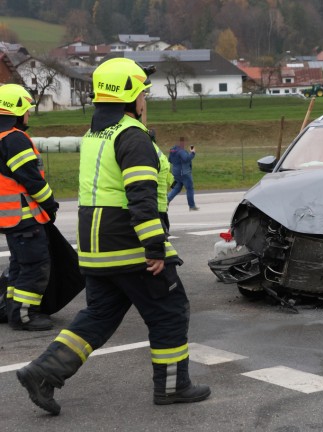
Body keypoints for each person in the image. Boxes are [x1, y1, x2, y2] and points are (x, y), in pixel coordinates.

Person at [16, 58, 210, 416]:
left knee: (99, 315)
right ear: (133, 96)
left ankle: (43, 372)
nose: (146, 100)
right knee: (169, 310)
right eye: (144, 93)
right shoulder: (131, 136)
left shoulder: (96, 133)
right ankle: (172, 386)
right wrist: (155, 248)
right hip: (128, 244)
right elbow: (139, 196)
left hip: (95, 246)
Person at [0, 84, 58, 331]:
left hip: (9, 219)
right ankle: (24, 315)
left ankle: (10, 308)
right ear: (17, 111)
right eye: (27, 110)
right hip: (25, 218)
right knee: (34, 265)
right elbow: (31, 179)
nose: (29, 115)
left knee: (19, 265)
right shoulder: (15, 139)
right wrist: (50, 203)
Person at [167, 137, 199, 210]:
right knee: (190, 188)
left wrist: (177, 163)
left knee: (177, 188)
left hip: (176, 172)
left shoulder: (172, 150)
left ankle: (166, 200)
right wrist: (193, 153)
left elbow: (170, 160)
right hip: (184, 173)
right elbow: (186, 159)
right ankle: (192, 206)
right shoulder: (181, 151)